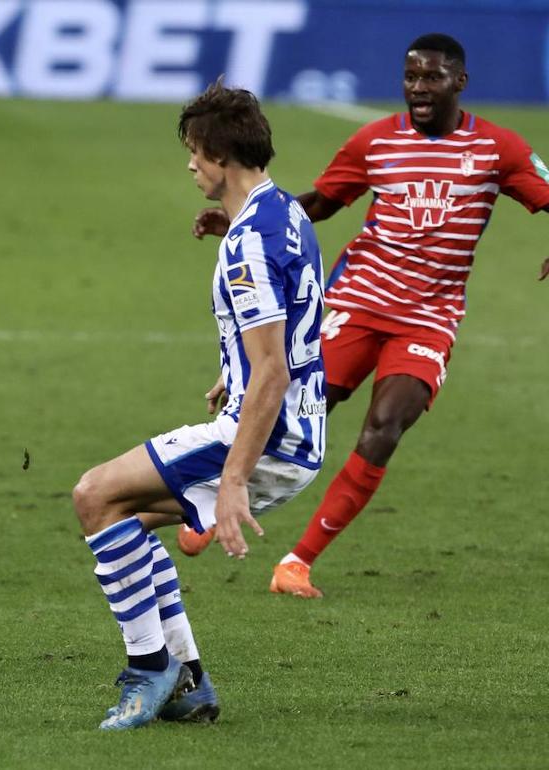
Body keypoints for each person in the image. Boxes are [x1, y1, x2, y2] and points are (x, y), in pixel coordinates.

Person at [181, 34, 549, 598]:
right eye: (411, 78)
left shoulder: (498, 149)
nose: (419, 89)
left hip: (430, 317)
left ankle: (296, 563)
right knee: (283, 405)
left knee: (384, 429)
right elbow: (320, 203)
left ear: (459, 83)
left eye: (431, 78)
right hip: (356, 303)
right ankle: (207, 503)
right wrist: (238, 221)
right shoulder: (374, 142)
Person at [71, 81, 327, 729]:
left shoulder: (250, 247)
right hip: (298, 433)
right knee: (124, 520)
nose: (190, 164)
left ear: (219, 154)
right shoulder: (283, 213)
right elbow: (282, 328)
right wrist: (230, 367)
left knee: (95, 496)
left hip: (262, 434)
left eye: (194, 151)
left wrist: (235, 479)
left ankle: (150, 671)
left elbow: (270, 370)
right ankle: (187, 681)